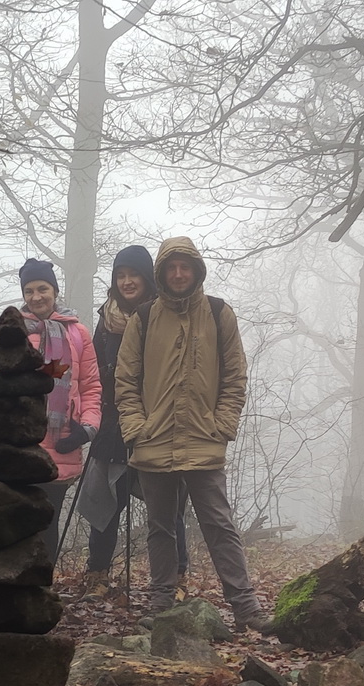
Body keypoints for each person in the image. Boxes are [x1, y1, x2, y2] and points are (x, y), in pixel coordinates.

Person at [114, 236, 262, 629]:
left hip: (203, 439)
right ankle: (161, 605)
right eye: (171, 267)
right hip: (154, 440)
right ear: (162, 273)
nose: (179, 274)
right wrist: (137, 428)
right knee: (160, 528)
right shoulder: (144, 317)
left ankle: (246, 609)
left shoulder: (218, 312)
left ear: (196, 271)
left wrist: (222, 425)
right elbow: (125, 380)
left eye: (185, 267)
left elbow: (235, 376)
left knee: (219, 525)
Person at [79, 244, 186, 587]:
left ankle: (175, 577)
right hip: (112, 425)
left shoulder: (165, 315)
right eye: (120, 275)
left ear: (147, 278)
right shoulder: (106, 319)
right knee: (105, 503)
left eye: (133, 275)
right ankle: (97, 573)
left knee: (167, 508)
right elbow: (93, 372)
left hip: (159, 426)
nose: (126, 282)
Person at [14, 258, 102, 554]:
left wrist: (87, 429)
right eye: (29, 291)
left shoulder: (77, 333)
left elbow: (91, 387)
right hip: (20, 445)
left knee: (47, 526)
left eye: (42, 289)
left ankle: (43, 582)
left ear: (55, 290)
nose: (36, 297)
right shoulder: (13, 332)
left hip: (61, 443)